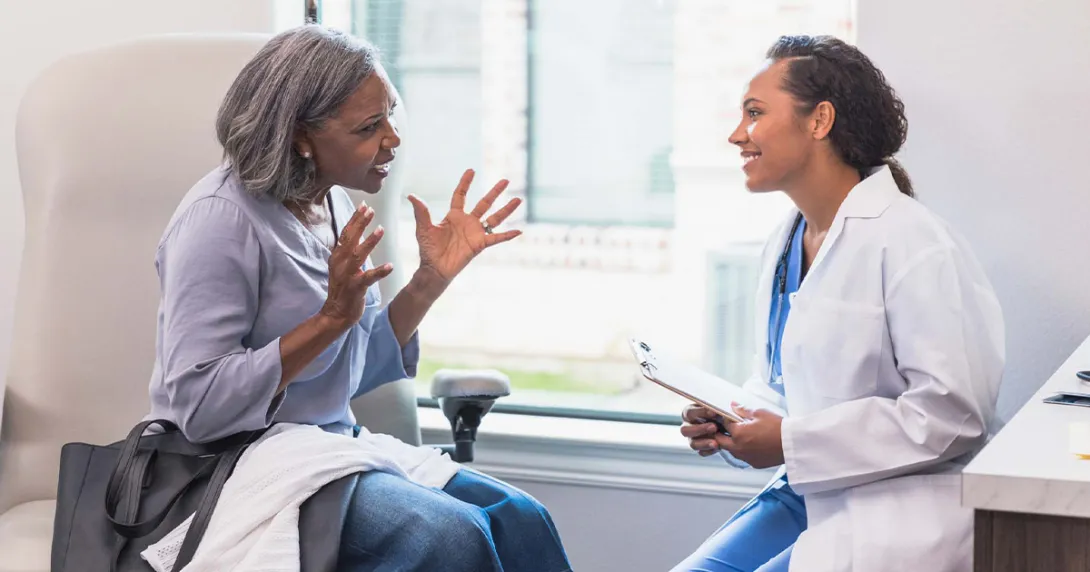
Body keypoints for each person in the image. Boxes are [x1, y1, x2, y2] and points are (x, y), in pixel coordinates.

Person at [144, 25, 571, 572]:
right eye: (369, 127)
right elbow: (200, 410)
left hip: (326, 447)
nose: (392, 138)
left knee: (521, 516)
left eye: (390, 115)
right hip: (229, 463)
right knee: (452, 537)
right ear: (301, 137)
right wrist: (328, 320)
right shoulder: (219, 221)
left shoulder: (333, 204)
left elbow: (343, 374)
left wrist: (428, 282)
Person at [673, 35, 1004, 572]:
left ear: (819, 120)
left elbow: (954, 416)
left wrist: (787, 441)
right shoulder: (787, 241)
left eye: (754, 113)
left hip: (896, 507)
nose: (737, 135)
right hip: (808, 491)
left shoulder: (914, 243)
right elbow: (787, 384)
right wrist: (733, 420)